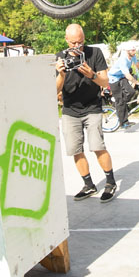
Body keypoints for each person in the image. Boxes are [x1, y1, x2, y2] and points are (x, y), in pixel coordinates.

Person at [55, 24, 118, 202]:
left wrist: (92, 75)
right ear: (66, 40)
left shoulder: (94, 53)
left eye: (81, 42)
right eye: (73, 43)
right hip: (70, 109)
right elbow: (55, 90)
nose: (77, 46)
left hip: (92, 107)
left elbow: (105, 82)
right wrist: (61, 74)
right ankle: (88, 184)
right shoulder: (60, 56)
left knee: (98, 146)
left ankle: (110, 182)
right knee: (75, 149)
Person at [107, 41, 139, 129]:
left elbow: (138, 65)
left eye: (135, 50)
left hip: (121, 77)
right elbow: (128, 76)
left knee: (131, 92)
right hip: (113, 79)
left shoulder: (132, 57)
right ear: (128, 51)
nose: (134, 51)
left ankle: (120, 105)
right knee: (120, 101)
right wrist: (137, 82)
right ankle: (124, 123)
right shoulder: (123, 59)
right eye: (133, 50)